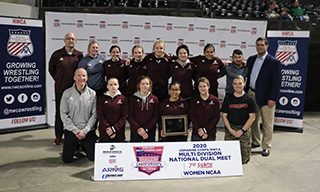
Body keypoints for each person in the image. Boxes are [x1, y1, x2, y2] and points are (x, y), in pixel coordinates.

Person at [246, 37, 280, 157]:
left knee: (267, 123)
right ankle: (256, 141)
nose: (259, 46)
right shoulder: (251, 60)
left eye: (262, 45)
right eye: (258, 45)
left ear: (267, 46)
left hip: (267, 98)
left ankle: (266, 146)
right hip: (251, 94)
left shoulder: (273, 62)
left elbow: (276, 82)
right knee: (253, 120)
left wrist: (273, 98)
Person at [49, 32, 83, 145]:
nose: (70, 41)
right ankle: (58, 136)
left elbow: (81, 72)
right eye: (68, 39)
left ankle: (74, 136)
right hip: (61, 89)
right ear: (64, 40)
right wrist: (59, 79)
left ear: (75, 41)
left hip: (75, 90)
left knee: (75, 113)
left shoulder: (79, 55)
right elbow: (51, 69)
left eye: (73, 39)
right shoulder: (57, 54)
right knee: (60, 113)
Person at [60, 68, 97, 163]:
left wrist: (85, 131)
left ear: (87, 78)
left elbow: (95, 114)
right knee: (66, 160)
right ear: (74, 78)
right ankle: (76, 147)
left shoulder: (92, 94)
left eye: (84, 75)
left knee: (93, 157)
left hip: (87, 131)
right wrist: (76, 131)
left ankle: (83, 146)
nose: (81, 78)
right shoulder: (67, 93)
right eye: (79, 75)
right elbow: (63, 114)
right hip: (72, 131)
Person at [221, 75, 257, 164]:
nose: (238, 86)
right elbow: (224, 116)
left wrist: (242, 130)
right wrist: (230, 130)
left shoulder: (249, 99)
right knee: (229, 157)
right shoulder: (228, 98)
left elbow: (252, 117)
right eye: (235, 84)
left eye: (240, 83)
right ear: (232, 85)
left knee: (244, 159)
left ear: (244, 83)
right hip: (231, 128)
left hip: (244, 129)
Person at [97, 78, 128, 142]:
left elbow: (124, 116)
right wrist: (108, 128)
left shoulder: (123, 99)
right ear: (107, 86)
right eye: (110, 85)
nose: (113, 86)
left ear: (118, 86)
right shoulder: (101, 98)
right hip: (105, 132)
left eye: (115, 84)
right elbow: (100, 114)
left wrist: (114, 129)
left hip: (119, 132)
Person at [128, 75, 159, 142]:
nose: (145, 86)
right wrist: (139, 129)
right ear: (139, 85)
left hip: (149, 131)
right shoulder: (133, 99)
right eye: (143, 84)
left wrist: (146, 129)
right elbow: (130, 116)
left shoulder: (154, 99)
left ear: (150, 85)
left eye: (147, 84)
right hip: (136, 131)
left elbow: (155, 116)